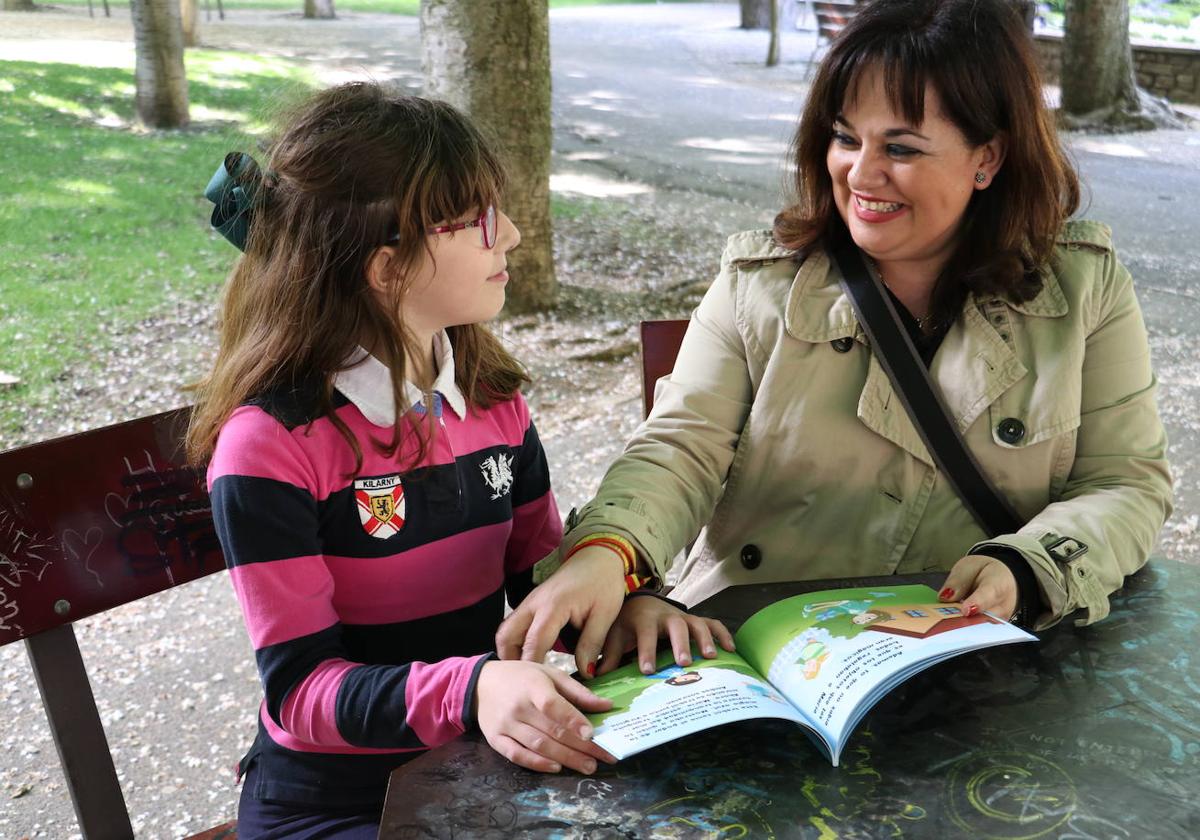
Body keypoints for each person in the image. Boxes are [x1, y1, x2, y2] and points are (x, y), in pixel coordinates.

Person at [497, 0, 1173, 677]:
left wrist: (1025, 567)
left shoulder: (1082, 291)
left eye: (901, 148)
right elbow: (680, 449)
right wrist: (606, 555)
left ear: (987, 158)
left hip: (973, 664)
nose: (861, 173)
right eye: (847, 138)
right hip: (754, 654)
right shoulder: (758, 286)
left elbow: (1125, 484)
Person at [186, 83, 621, 838]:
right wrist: (471, 689)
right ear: (387, 269)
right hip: (339, 804)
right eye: (481, 220)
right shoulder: (271, 445)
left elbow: (540, 578)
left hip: (477, 765)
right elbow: (301, 694)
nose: (512, 235)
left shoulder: (491, 397)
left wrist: (618, 600)